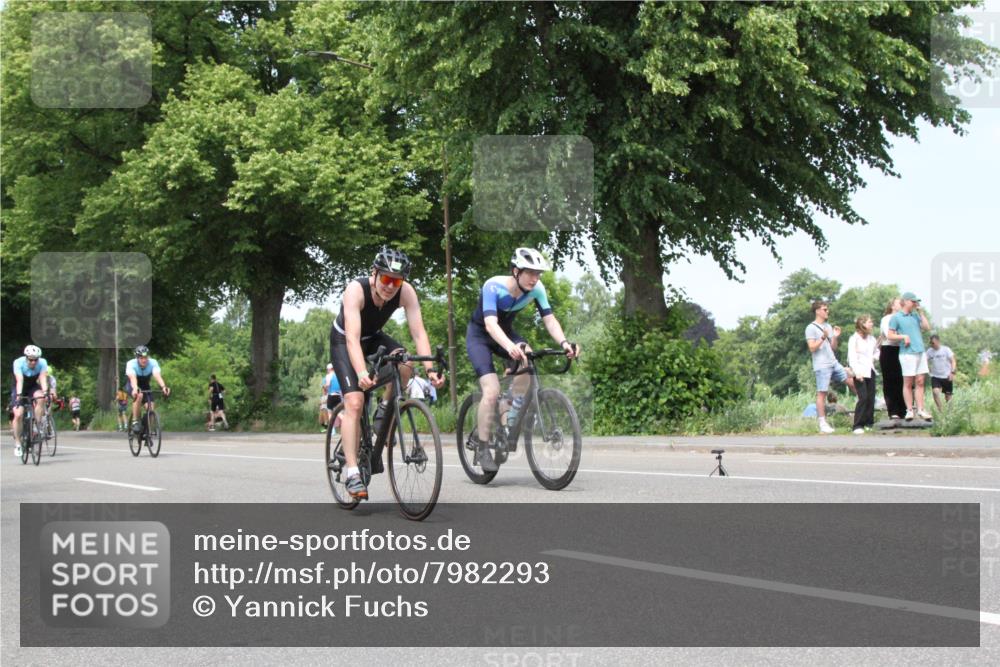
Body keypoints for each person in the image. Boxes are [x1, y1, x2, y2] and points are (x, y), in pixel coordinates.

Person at [328, 247, 445, 499]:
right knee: (355, 402)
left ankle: (383, 414)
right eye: (386, 279)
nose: (391, 286)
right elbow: (352, 340)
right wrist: (360, 372)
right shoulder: (356, 290)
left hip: (374, 338)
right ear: (374, 274)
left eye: (397, 281)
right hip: (346, 340)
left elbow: (418, 332)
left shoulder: (406, 292)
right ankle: (352, 473)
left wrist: (431, 370)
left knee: (405, 364)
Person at [465, 248, 580, 471]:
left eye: (538, 274)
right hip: (480, 335)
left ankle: (507, 415)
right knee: (490, 390)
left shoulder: (537, 289)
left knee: (528, 359)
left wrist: (565, 344)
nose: (535, 278)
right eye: (530, 273)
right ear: (516, 271)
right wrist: (509, 347)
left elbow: (550, 320)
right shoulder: (493, 286)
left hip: (506, 333)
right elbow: (490, 324)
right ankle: (482, 446)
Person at [805, 301, 849, 434]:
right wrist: (823, 337)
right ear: (817, 311)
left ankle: (863, 412)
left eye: (827, 309)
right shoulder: (810, 328)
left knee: (852, 380)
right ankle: (822, 423)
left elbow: (833, 347)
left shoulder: (828, 326)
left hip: (833, 362)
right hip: (821, 365)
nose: (827, 311)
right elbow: (812, 348)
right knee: (822, 393)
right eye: (825, 309)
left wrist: (834, 337)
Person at [887, 291, 932, 421]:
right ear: (905, 301)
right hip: (907, 353)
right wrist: (903, 336)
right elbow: (890, 335)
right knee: (908, 383)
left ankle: (921, 410)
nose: (915, 304)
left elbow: (926, 327)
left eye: (916, 302)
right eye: (913, 301)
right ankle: (909, 410)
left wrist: (921, 312)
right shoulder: (896, 317)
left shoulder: (915, 315)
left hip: (920, 352)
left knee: (920, 381)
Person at [12, 345, 49, 457]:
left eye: (36, 360)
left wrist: (46, 392)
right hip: (19, 387)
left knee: (41, 398)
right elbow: (20, 379)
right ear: (26, 358)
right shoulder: (18, 363)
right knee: (18, 414)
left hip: (33, 386)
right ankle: (18, 442)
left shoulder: (42, 363)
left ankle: (36, 425)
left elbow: (42, 378)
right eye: (31, 359)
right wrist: (18, 395)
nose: (33, 362)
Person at [125, 345, 171, 435]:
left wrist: (163, 387)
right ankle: (135, 421)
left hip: (145, 385)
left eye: (146, 357)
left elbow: (157, 375)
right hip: (133, 384)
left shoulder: (153, 363)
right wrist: (135, 388)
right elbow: (133, 378)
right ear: (137, 358)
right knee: (139, 395)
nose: (144, 360)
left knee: (151, 408)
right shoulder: (131, 364)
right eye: (141, 358)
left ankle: (146, 429)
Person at [848, 315, 879, 434]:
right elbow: (852, 357)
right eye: (870, 322)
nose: (872, 324)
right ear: (863, 324)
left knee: (871, 397)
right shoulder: (854, 339)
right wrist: (857, 372)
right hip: (859, 371)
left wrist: (874, 357)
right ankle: (857, 425)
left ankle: (869, 422)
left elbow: (877, 352)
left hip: (870, 370)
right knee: (863, 397)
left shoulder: (871, 339)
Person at [878, 297, 906, 420]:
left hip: (901, 350)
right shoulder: (887, 319)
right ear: (893, 306)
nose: (901, 304)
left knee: (902, 380)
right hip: (889, 349)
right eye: (899, 303)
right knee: (890, 381)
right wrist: (904, 336)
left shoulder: (903, 317)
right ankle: (893, 410)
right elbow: (889, 336)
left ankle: (903, 409)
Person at [926, 335, 957, 410]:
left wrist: (952, 372)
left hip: (947, 376)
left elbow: (953, 361)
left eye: (933, 343)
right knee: (935, 392)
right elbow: (925, 360)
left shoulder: (946, 349)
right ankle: (941, 411)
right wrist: (928, 369)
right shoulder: (929, 351)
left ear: (938, 341)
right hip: (935, 376)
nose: (932, 344)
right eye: (930, 343)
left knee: (948, 397)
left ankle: (951, 414)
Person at [322, 363, 342, 434]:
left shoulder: (329, 376)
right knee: (339, 412)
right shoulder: (339, 375)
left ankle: (332, 430)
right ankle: (345, 424)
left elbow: (327, 385)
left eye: (327, 369)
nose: (327, 371)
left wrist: (324, 386)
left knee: (330, 413)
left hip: (331, 395)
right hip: (338, 395)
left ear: (329, 369)